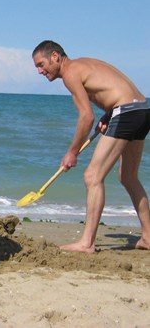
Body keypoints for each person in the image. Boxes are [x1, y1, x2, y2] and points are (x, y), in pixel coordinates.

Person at [32, 40, 150, 253]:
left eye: (41, 64)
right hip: (142, 109)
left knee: (92, 177)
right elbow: (114, 88)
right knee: (128, 177)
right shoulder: (85, 64)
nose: (40, 71)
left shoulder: (71, 73)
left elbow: (86, 117)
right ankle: (148, 238)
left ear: (56, 56)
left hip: (126, 111)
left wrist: (72, 152)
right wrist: (109, 114)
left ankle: (87, 243)